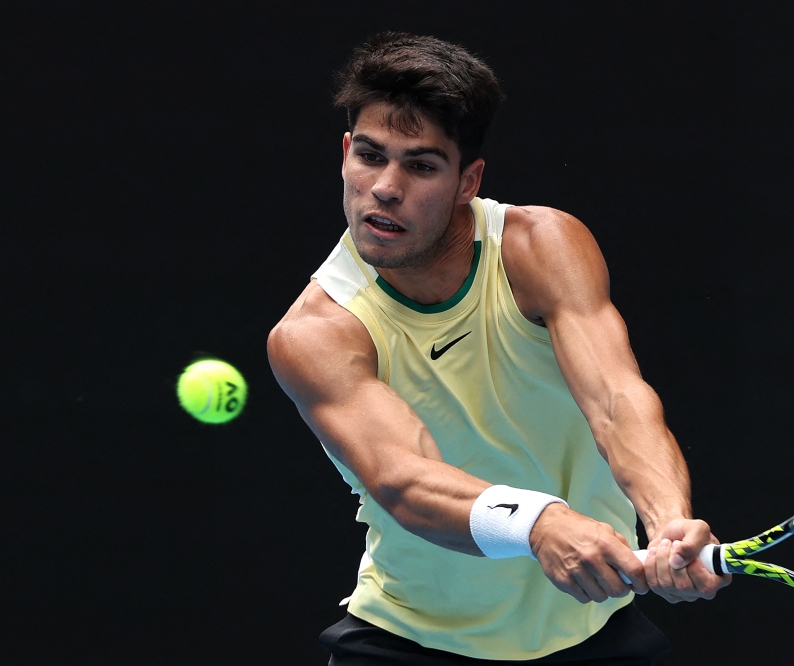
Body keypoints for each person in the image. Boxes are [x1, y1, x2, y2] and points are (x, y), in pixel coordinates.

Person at [268, 32, 729, 665]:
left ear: (468, 180)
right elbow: (405, 479)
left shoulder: (540, 247)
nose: (385, 188)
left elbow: (616, 399)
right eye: (370, 156)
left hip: (591, 634)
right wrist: (539, 523)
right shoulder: (317, 333)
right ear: (346, 152)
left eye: (421, 165)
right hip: (410, 644)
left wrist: (669, 518)